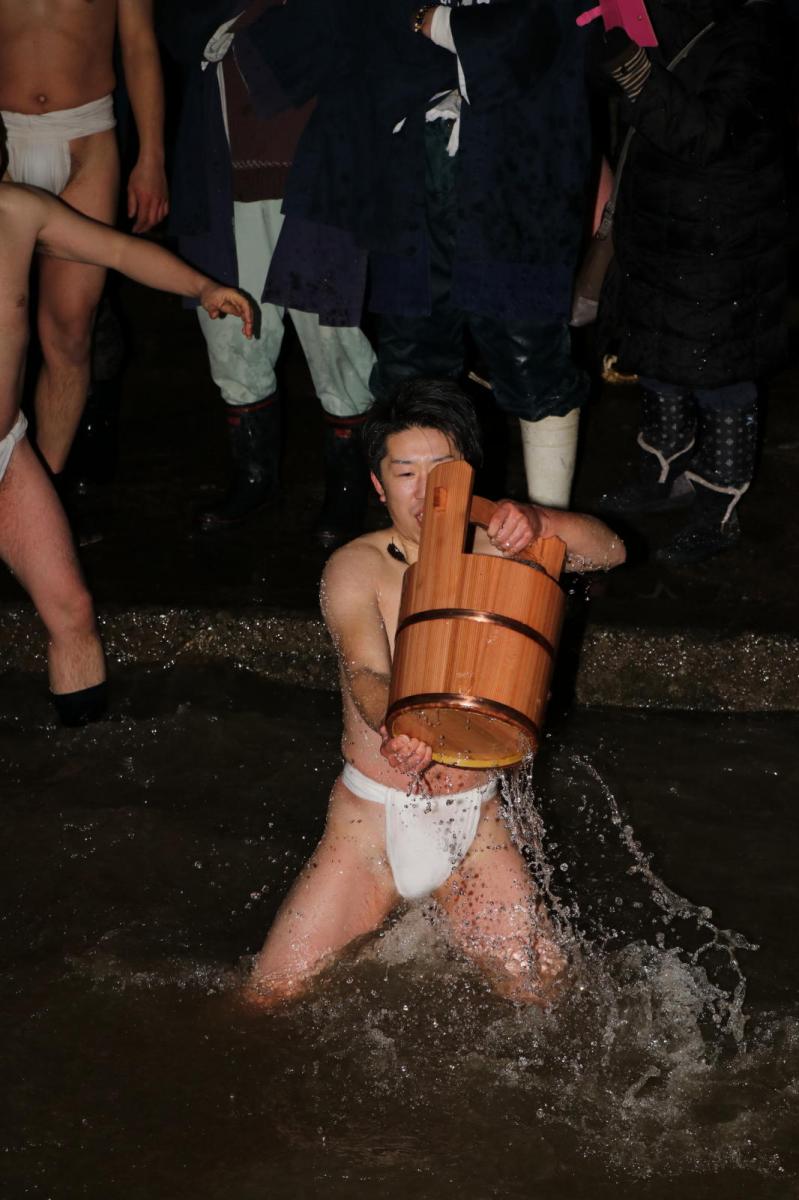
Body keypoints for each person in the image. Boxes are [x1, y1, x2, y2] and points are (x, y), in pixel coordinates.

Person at [247, 379, 625, 1007]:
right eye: (405, 474)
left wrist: (541, 521)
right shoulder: (356, 566)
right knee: (266, 999)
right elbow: (367, 673)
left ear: (469, 473)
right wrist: (398, 725)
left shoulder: (508, 549)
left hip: (474, 825)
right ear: (378, 485)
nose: (425, 493)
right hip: (369, 828)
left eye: (442, 471)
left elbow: (610, 551)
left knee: (549, 1001)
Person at [235, 0, 593, 510]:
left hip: (518, 184)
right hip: (411, 184)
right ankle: (422, 536)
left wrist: (431, 19)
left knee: (530, 357)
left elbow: (528, 34)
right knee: (412, 368)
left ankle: (551, 535)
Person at [0, 118, 253, 725]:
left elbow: (116, 251)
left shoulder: (18, 210)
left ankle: (83, 758)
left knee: (72, 609)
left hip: (7, 451)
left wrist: (202, 285)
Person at [159, 1, 376, 547]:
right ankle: (254, 478)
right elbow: (179, 31)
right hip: (222, 183)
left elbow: (348, 37)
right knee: (232, 336)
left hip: (322, 183)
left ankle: (349, 488)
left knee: (337, 342)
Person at [591, 0, 790, 564]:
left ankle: (717, 510)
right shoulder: (671, 8)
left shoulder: (756, 28)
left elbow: (706, 134)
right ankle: (663, 477)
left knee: (719, 372)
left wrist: (630, 64)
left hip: (722, 240)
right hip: (659, 227)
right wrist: (604, 38)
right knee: (658, 357)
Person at [0, 0, 169, 495]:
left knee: (71, 331)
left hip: (87, 142)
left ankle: (42, 494)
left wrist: (152, 157)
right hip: (2, 139)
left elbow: (138, 44)